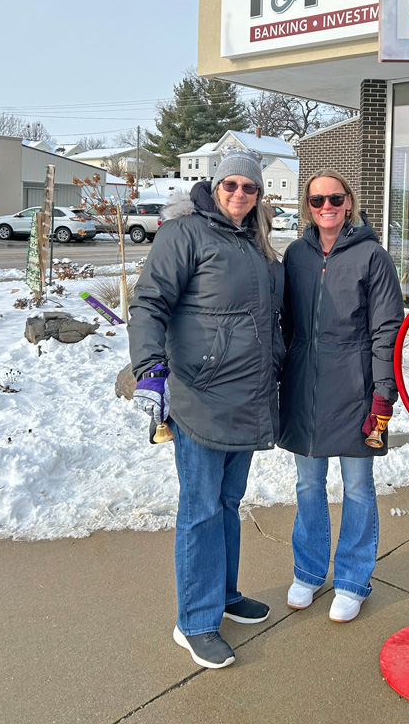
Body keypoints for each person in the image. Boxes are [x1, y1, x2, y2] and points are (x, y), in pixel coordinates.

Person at [128, 149, 284, 670]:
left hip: (246, 397)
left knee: (227, 503)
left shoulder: (258, 245)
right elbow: (149, 303)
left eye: (250, 187)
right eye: (232, 184)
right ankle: (194, 621)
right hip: (200, 395)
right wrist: (151, 370)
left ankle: (223, 593)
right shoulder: (184, 234)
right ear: (214, 186)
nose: (240, 194)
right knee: (199, 510)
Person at [279, 169, 404, 622]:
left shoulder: (373, 257)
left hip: (355, 388)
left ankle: (352, 579)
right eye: (316, 200)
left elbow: (387, 330)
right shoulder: (296, 255)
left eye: (334, 198)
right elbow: (287, 325)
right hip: (304, 390)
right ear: (307, 206)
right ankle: (309, 572)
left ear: (348, 202)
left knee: (356, 487)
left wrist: (382, 395)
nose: (326, 207)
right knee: (308, 484)